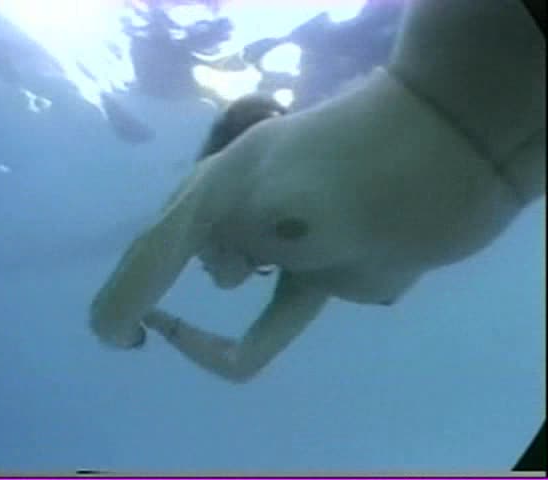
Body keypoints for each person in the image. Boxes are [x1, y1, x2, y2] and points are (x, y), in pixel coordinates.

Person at [90, 0, 545, 384]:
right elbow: (240, 364)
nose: (203, 268)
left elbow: (111, 313)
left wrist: (132, 332)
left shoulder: (250, 156)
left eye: (198, 256)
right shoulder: (313, 274)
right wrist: (161, 324)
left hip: (463, 47)